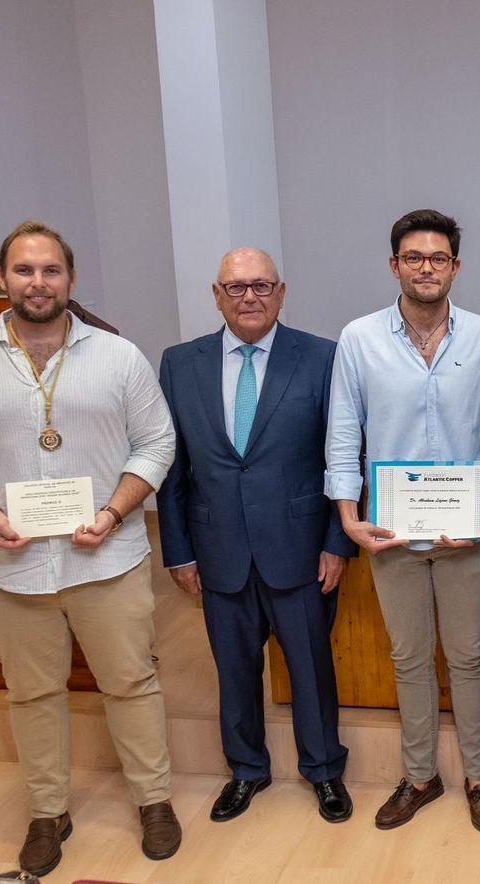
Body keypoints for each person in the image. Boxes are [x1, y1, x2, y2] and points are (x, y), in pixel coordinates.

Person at [0, 221, 180, 876]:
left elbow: (157, 443)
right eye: (25, 270)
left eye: (51, 270)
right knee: (31, 693)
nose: (39, 282)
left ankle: (153, 799)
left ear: (72, 279)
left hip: (107, 558)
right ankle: (47, 810)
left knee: (131, 682)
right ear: (3, 279)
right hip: (11, 564)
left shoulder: (119, 358)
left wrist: (117, 511)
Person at [325, 209, 480, 834]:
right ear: (394, 265)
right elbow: (344, 429)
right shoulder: (359, 338)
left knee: (469, 657)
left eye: (437, 258)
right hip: (389, 531)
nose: (426, 268)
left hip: (467, 531)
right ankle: (420, 776)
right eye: (414, 258)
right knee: (408, 658)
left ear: (455, 267)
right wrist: (349, 516)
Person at [157, 247, 356, 825]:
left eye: (262, 286)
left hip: (300, 549)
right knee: (234, 669)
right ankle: (246, 770)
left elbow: (342, 455)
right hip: (217, 549)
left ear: (282, 292)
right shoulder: (179, 363)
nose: (250, 296)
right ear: (216, 295)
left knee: (311, 667)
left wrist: (336, 542)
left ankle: (324, 771)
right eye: (237, 287)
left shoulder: (321, 358)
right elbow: (173, 468)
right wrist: (179, 551)